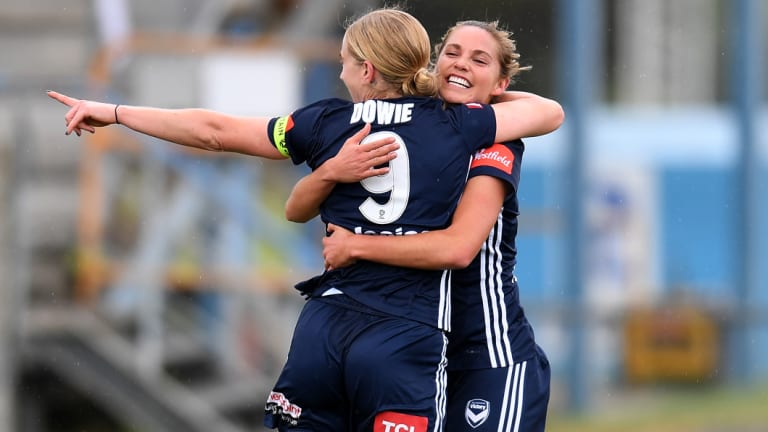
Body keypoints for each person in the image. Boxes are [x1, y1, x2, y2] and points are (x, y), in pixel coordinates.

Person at [49, 8, 563, 431]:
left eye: (344, 61)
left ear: (365, 70)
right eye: (451, 53)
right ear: (427, 60)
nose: (338, 70)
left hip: (338, 322)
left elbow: (213, 130)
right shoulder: (464, 125)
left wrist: (116, 111)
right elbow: (550, 113)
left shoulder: (323, 122)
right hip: (407, 333)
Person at [288, 20, 553, 432]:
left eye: (478, 60)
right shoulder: (426, 129)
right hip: (426, 348)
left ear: (501, 83)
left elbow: (457, 249)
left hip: (490, 353)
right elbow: (288, 199)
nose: (461, 63)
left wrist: (357, 245)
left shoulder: (494, 141)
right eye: (452, 53)